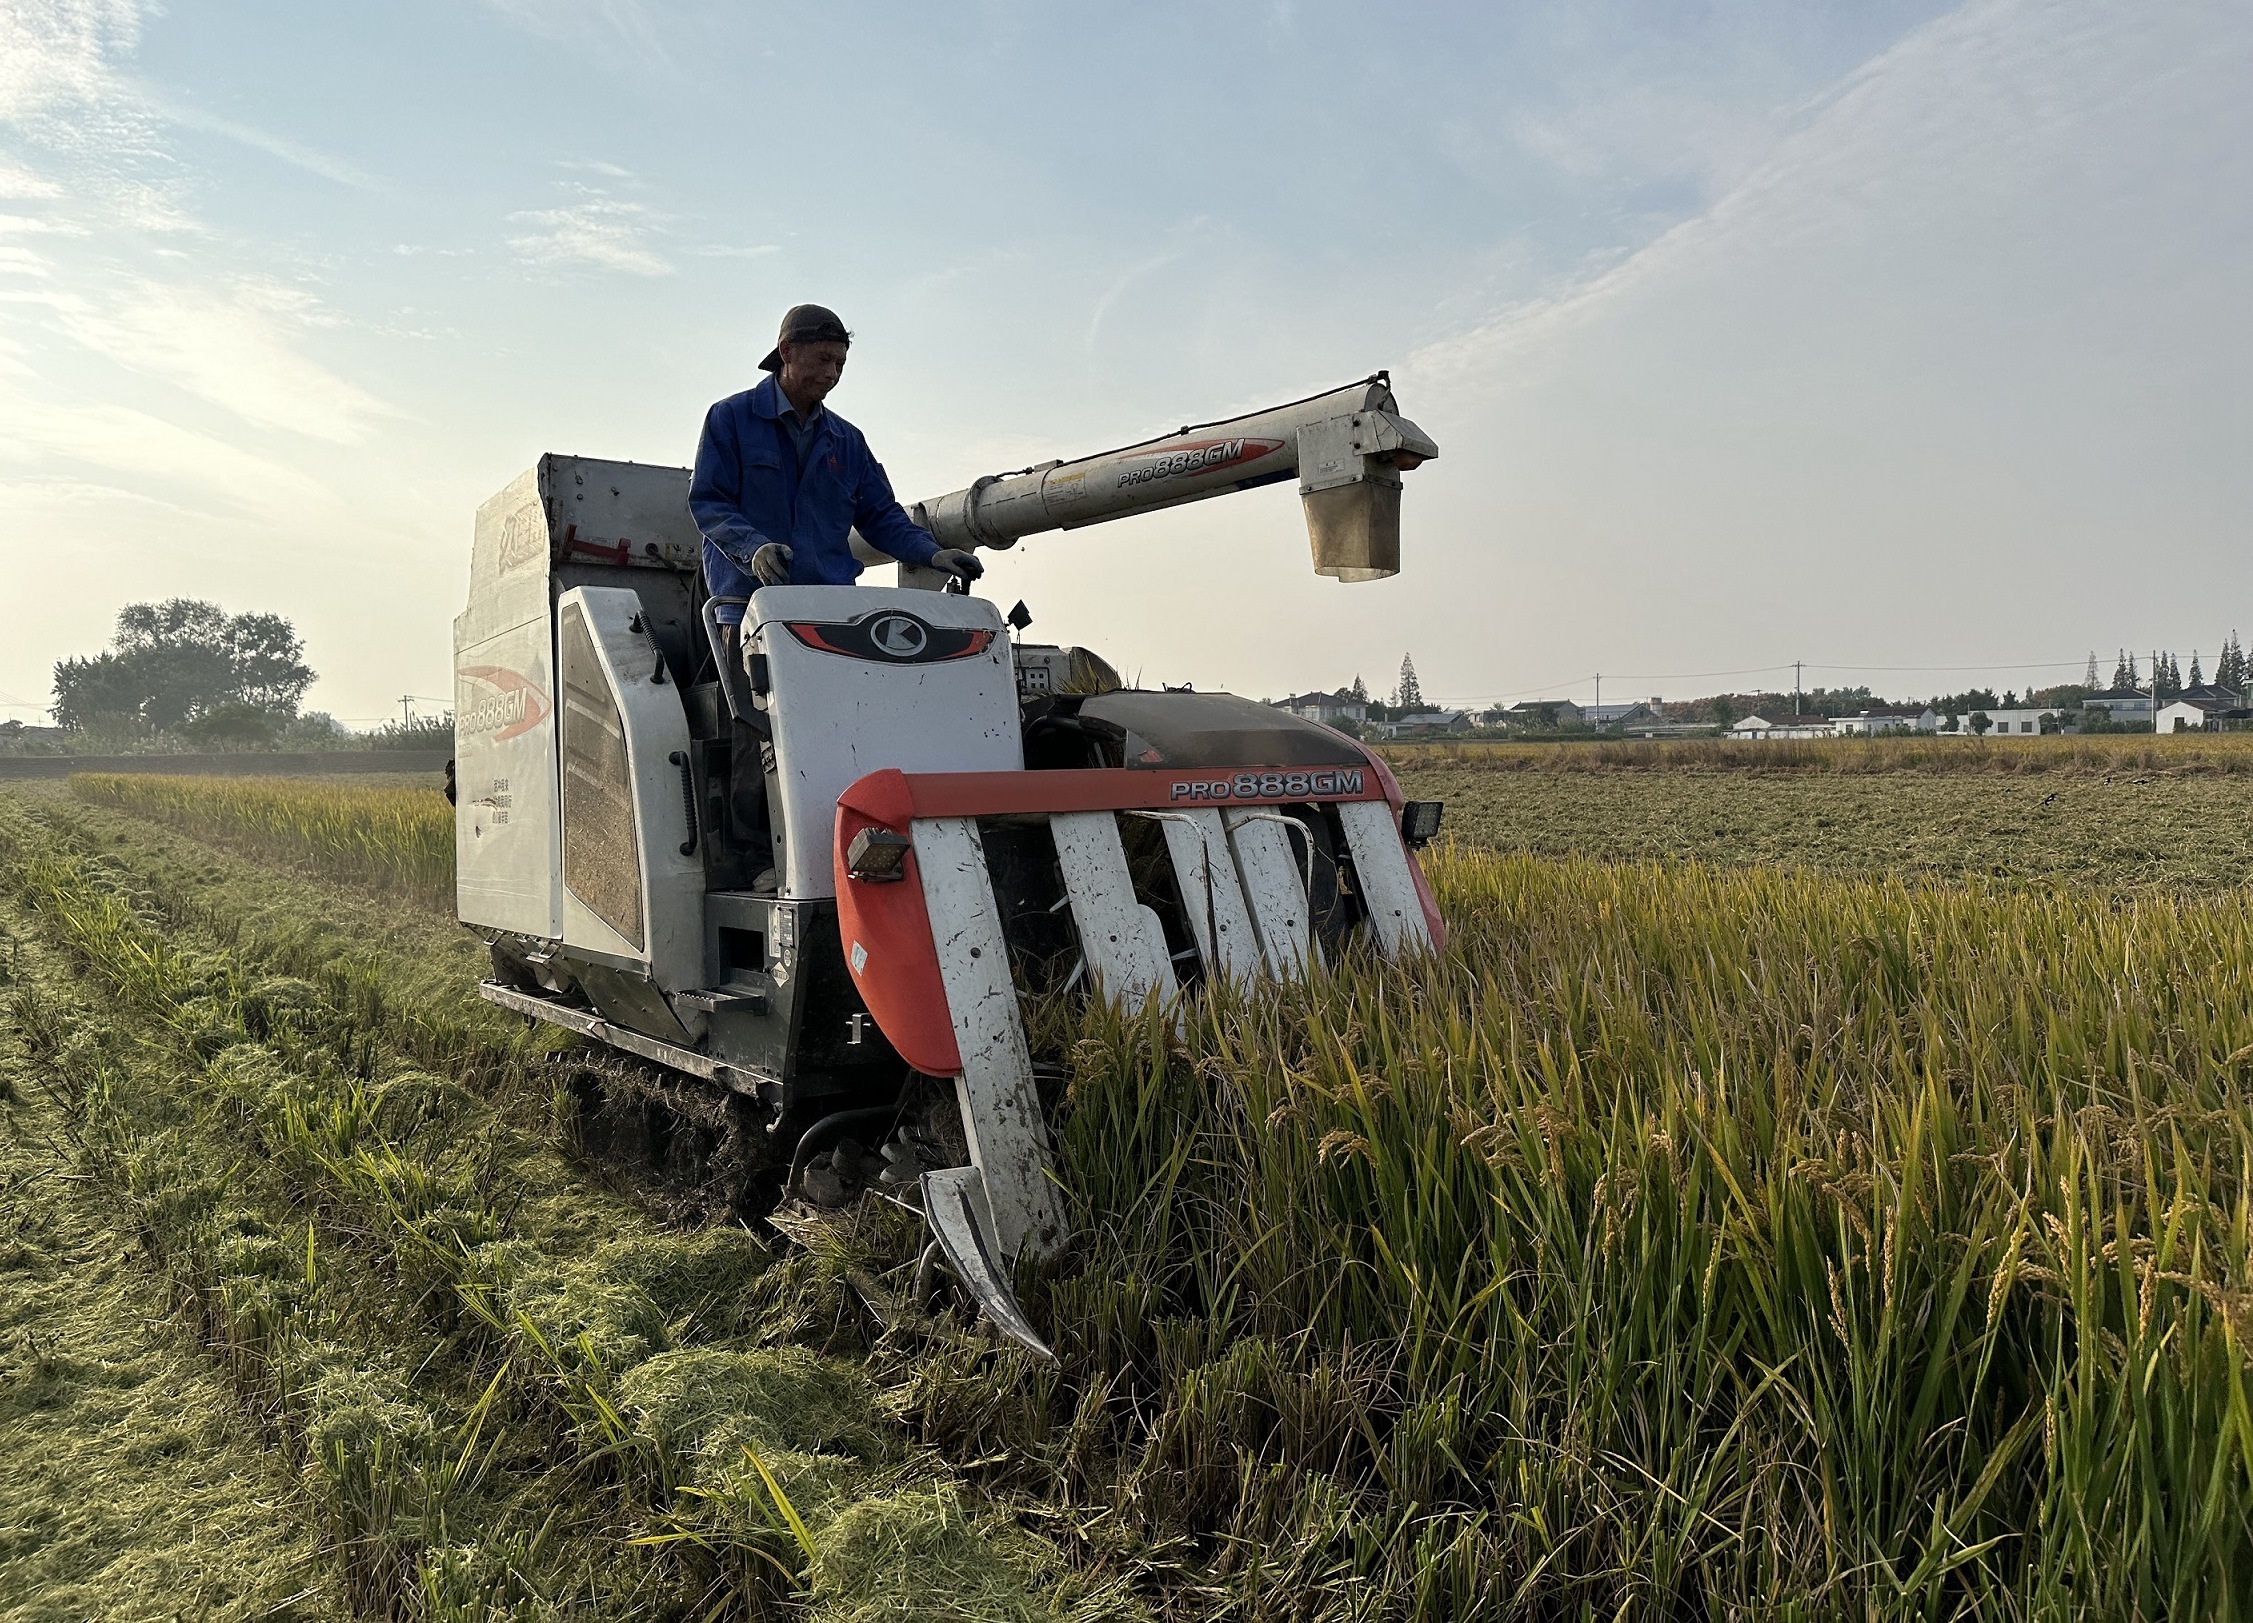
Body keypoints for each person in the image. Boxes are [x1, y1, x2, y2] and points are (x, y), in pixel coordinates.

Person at [689, 303, 982, 630]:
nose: (832, 374)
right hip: (749, 608)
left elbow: (881, 516)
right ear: (786, 352)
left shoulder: (848, 441)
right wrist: (753, 548)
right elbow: (710, 503)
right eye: (824, 360)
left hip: (831, 611)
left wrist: (932, 554)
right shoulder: (730, 418)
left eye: (840, 364)